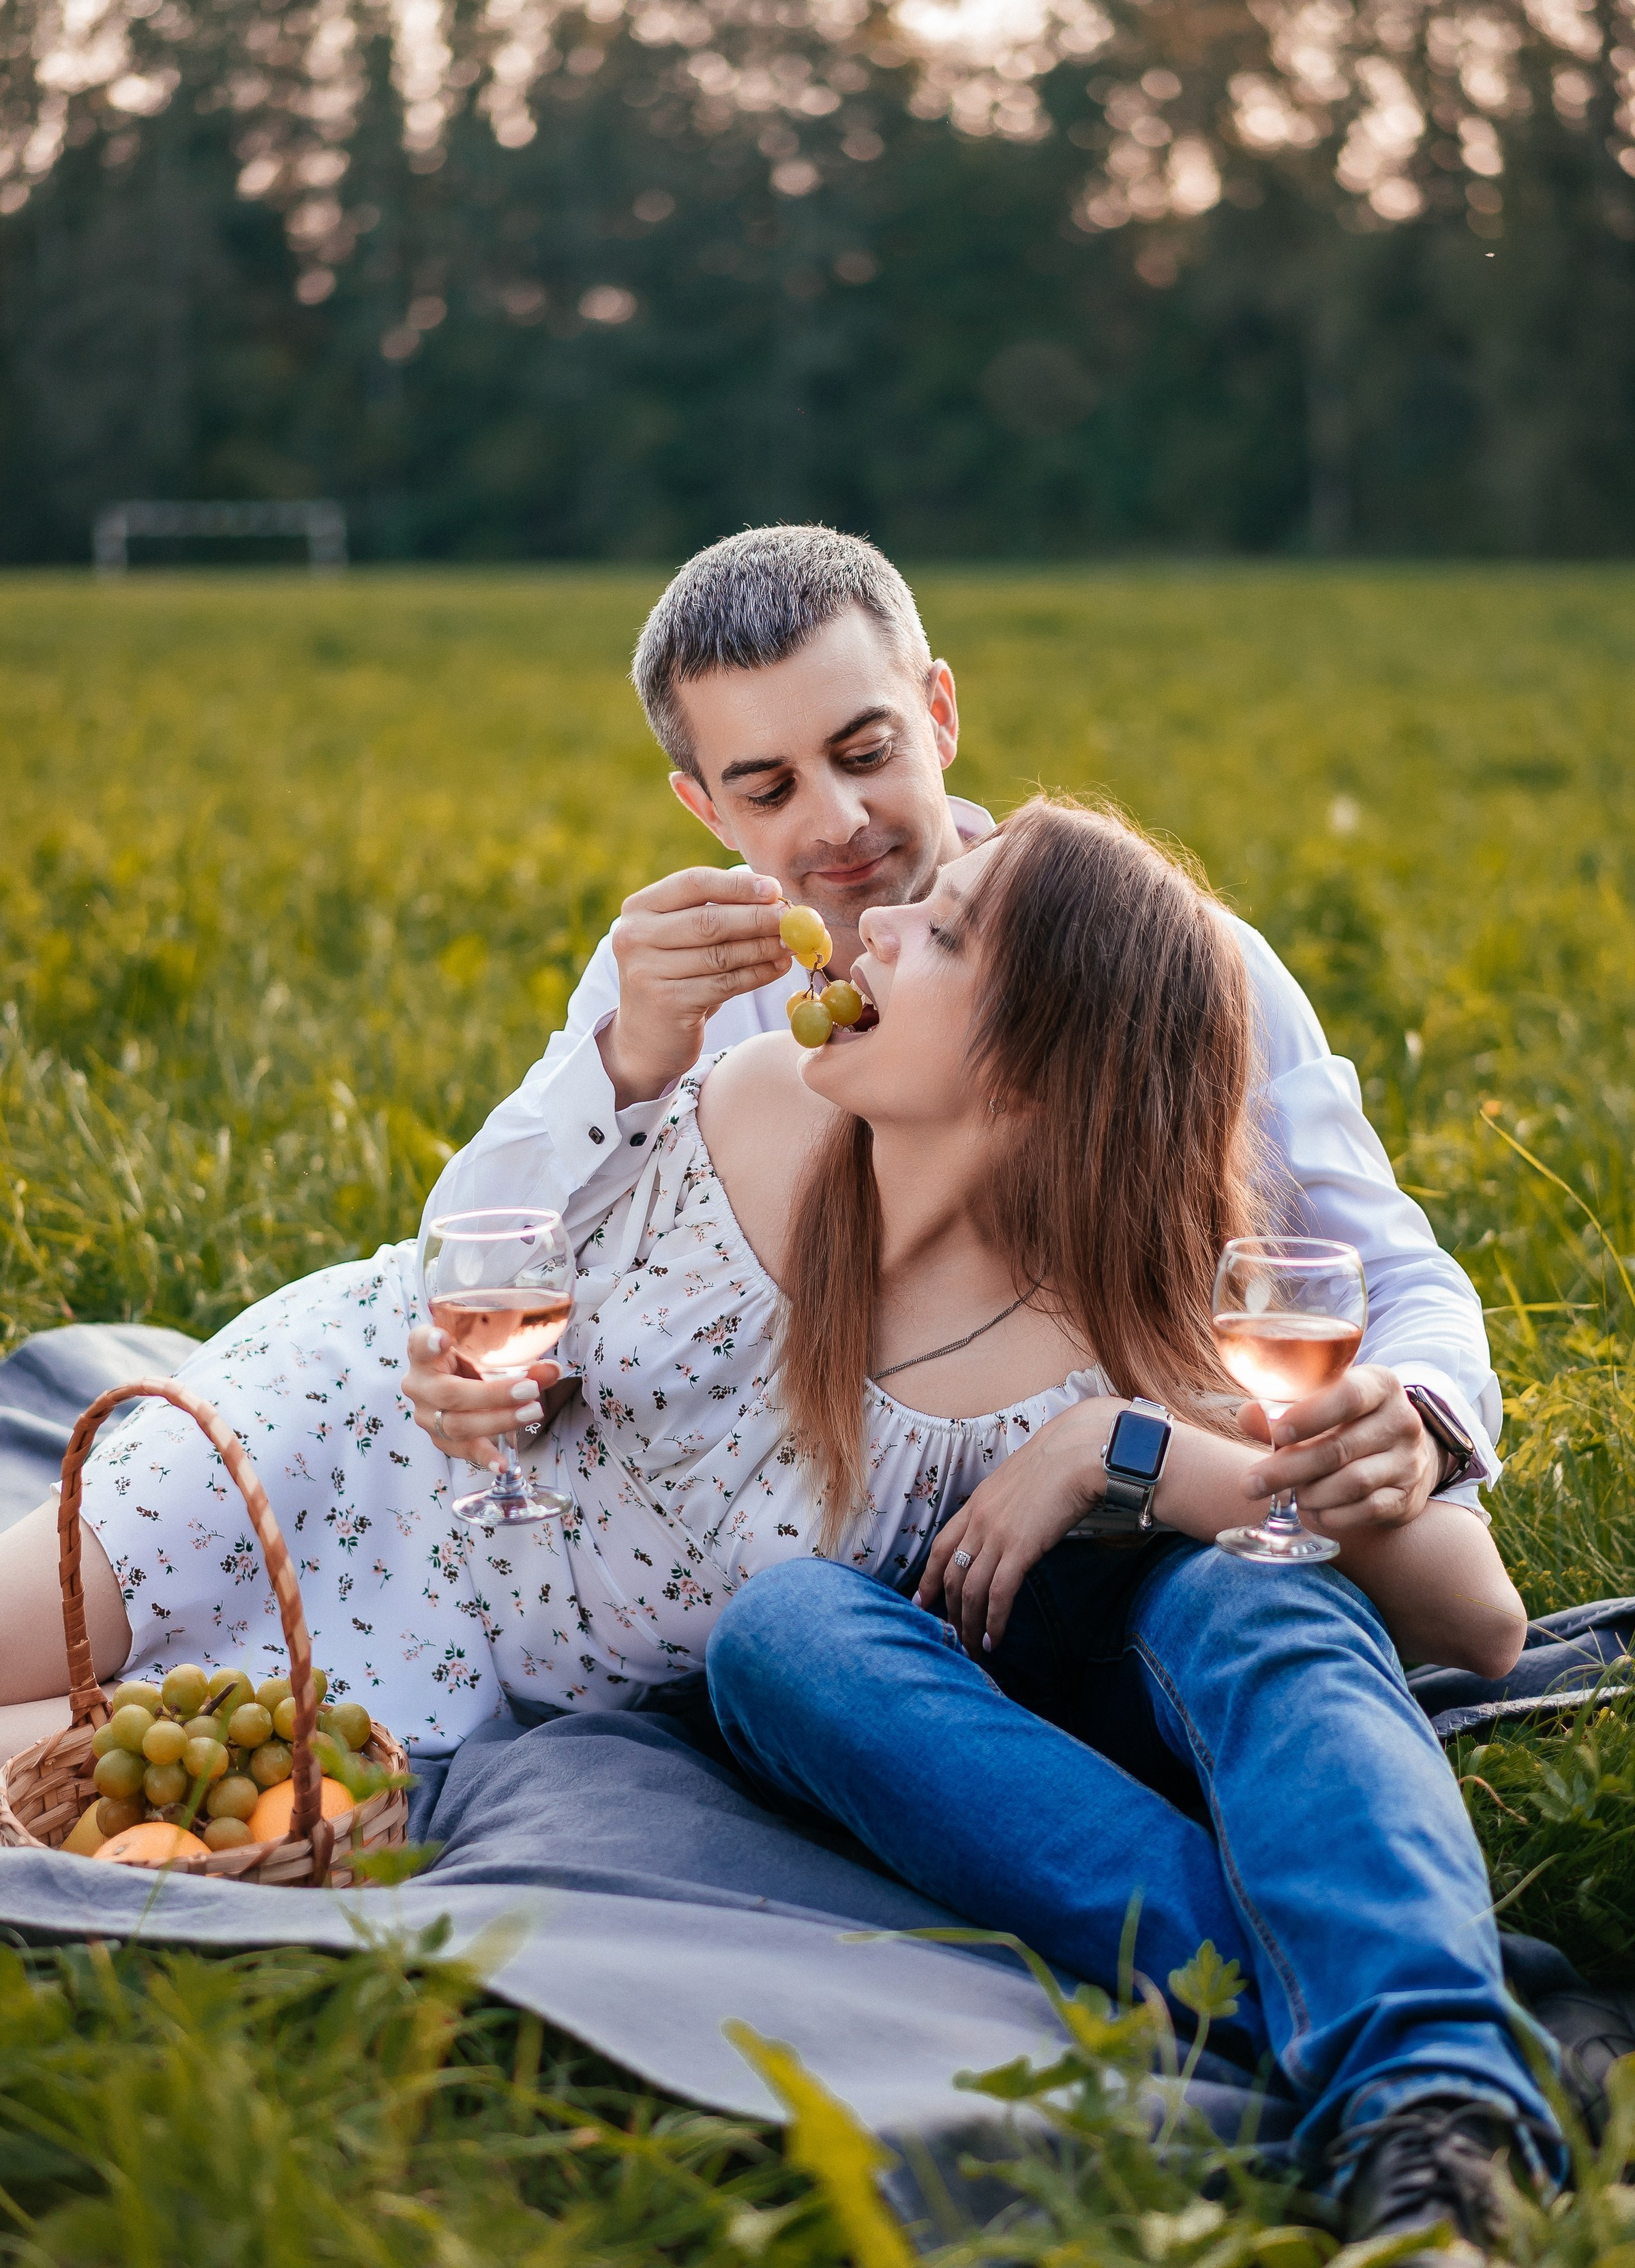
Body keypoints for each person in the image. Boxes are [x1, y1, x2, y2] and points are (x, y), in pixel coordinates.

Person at [0, 794, 1547, 2268]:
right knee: (38, 1638)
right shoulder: (756, 1103)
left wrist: (1119, 1448)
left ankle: (1375, 2057)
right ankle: (1360, 2006)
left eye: (936, 933)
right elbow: (487, 1270)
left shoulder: (1127, 1349)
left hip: (489, 1670)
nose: (871, 924)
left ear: (1030, 1066)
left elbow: (1477, 1620)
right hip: (352, 1447)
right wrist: (462, 1378)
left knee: (117, 1779)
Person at [412, 524, 1499, 1544]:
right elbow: (483, 1258)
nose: (835, 820)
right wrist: (624, 1063)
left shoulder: (1165, 966)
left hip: (1098, 1534)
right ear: (707, 810)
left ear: (938, 715)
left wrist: (1412, 1419)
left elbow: (1390, 1276)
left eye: (866, 751)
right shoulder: (679, 981)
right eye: (772, 787)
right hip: (760, 1559)